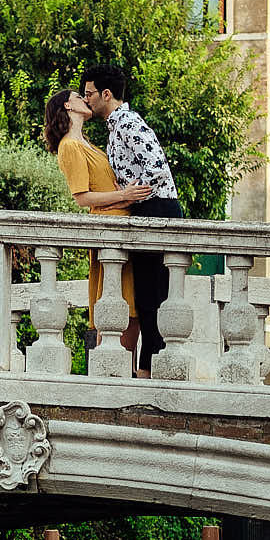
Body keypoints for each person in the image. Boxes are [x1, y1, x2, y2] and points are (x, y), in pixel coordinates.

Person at [78, 64, 181, 371]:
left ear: (106, 94)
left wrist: (132, 192)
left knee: (152, 299)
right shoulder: (117, 125)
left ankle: (150, 371)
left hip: (156, 209)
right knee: (147, 297)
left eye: (89, 94)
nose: (87, 101)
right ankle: (148, 369)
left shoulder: (127, 122)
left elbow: (157, 168)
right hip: (149, 209)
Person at [44, 87, 149, 357]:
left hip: (120, 220)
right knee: (116, 306)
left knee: (131, 307)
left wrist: (124, 197)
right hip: (107, 226)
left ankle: (125, 369)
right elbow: (81, 197)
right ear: (68, 106)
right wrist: (123, 195)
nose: (85, 99)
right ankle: (111, 368)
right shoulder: (69, 146)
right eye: (79, 97)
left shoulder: (86, 142)